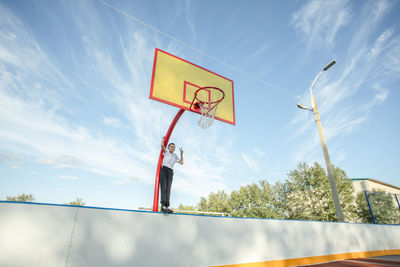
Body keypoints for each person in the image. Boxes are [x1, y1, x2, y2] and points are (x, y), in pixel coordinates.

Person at [159, 136, 183, 213]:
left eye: (174, 147)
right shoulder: (166, 152)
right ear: (168, 147)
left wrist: (181, 154)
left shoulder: (175, 156)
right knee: (164, 187)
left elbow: (181, 162)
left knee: (168, 188)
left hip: (170, 171)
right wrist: (163, 140)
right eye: (171, 147)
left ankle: (167, 206)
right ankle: (162, 206)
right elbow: (162, 146)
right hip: (164, 169)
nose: (172, 148)